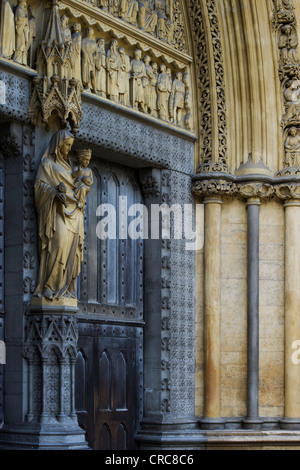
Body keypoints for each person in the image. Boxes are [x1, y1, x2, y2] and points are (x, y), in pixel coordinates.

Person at [34, 130, 88, 301]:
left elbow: (78, 185)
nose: (69, 149)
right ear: (58, 145)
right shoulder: (47, 164)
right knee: (58, 244)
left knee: (72, 251)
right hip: (58, 210)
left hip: (75, 213)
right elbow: (39, 186)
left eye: (71, 146)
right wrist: (53, 193)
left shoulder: (70, 167)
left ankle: (66, 288)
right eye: (67, 145)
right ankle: (49, 286)